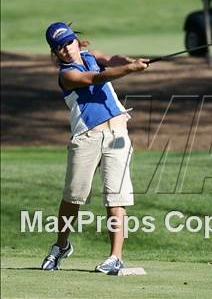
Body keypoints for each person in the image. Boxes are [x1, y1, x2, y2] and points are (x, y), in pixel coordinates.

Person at [41, 22, 149, 275]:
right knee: (73, 197)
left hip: (118, 134)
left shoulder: (92, 56)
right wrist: (130, 69)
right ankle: (61, 245)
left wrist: (126, 60)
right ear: (55, 53)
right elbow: (96, 78)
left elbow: (110, 59)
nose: (66, 50)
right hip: (87, 136)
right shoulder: (66, 75)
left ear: (76, 41)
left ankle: (115, 257)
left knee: (116, 196)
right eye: (59, 48)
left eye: (68, 43)